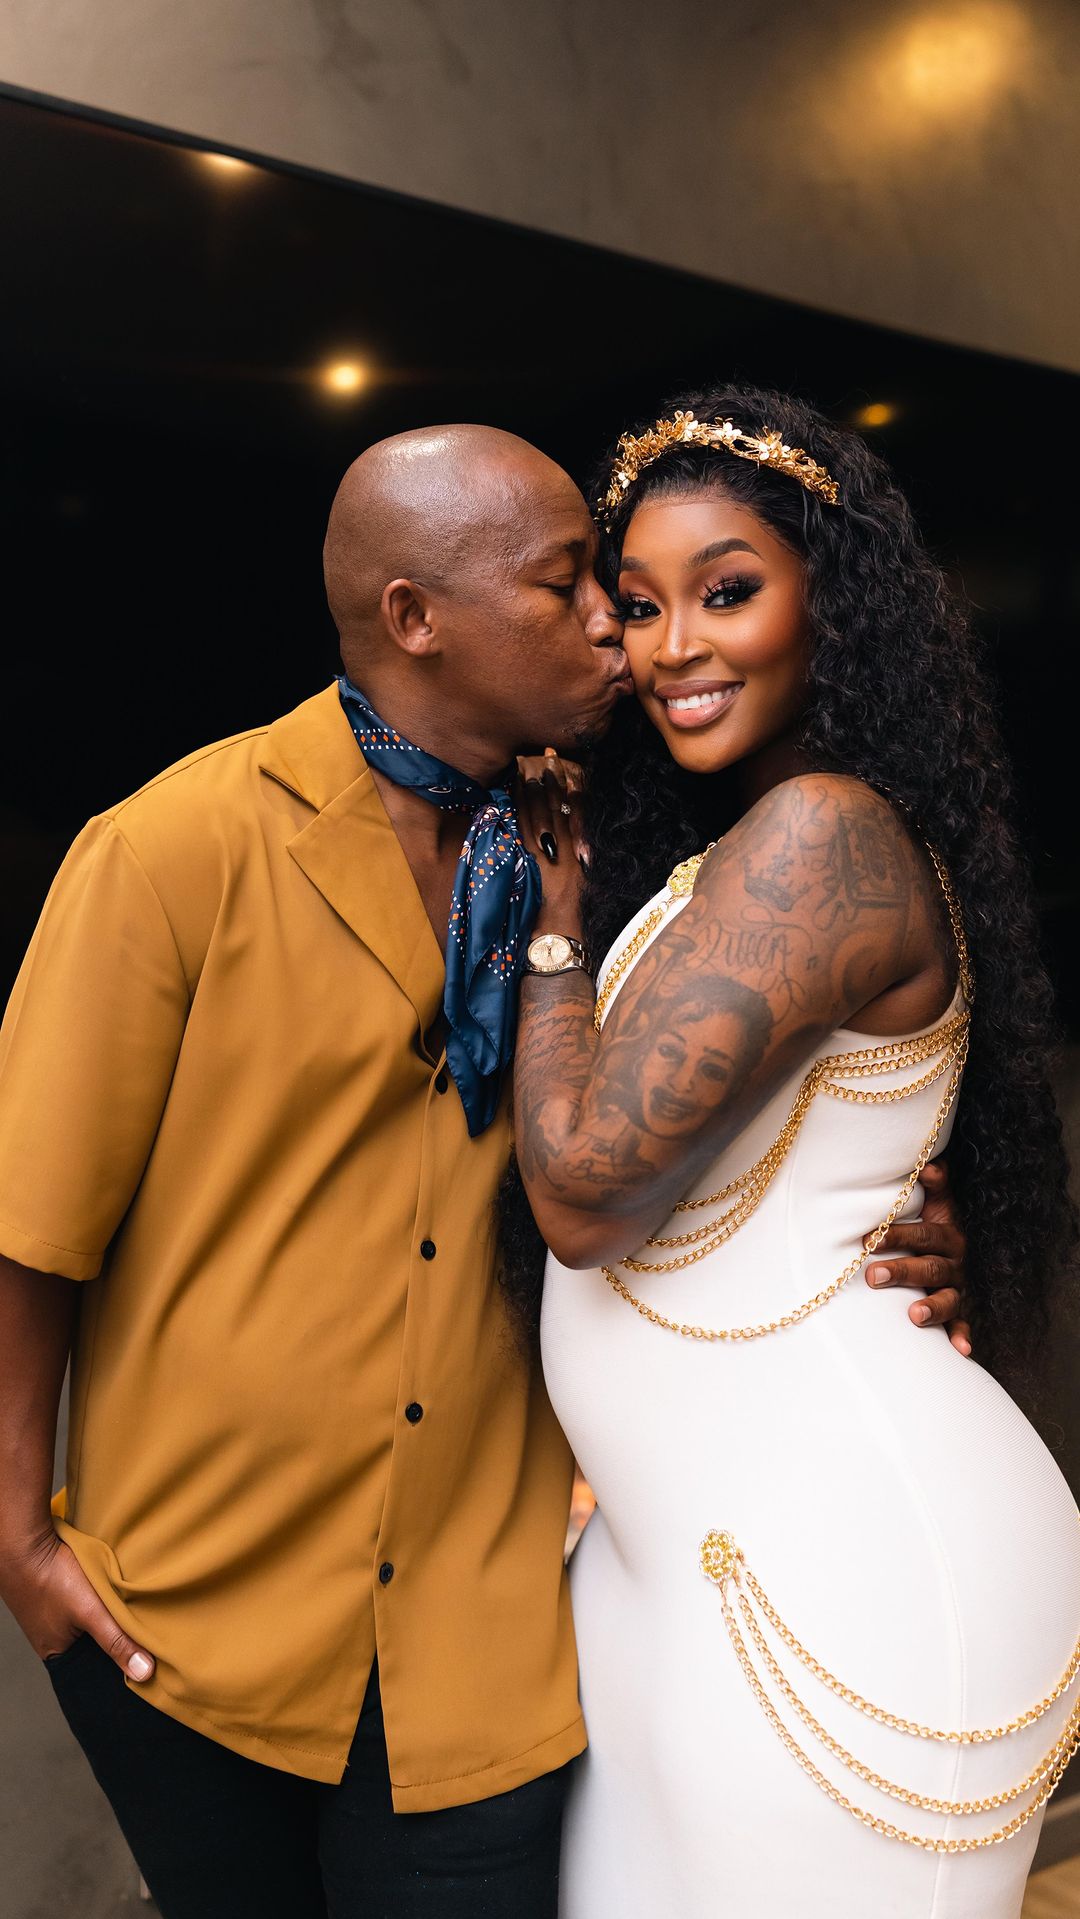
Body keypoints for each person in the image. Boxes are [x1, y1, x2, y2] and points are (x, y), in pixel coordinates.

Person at [0, 423, 969, 1919]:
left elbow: (744, 1092)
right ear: (416, 618)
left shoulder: (619, 848)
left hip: (492, 1644)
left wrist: (872, 1212)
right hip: (191, 1620)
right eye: (573, 586)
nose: (614, 629)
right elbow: (31, 1224)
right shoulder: (170, 849)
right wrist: (17, 1537)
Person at [509, 385, 1080, 1918]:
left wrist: (550, 932)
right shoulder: (732, 849)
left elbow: (582, 1190)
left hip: (850, 1556)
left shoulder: (823, 835)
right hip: (668, 1559)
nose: (674, 646)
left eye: (728, 591)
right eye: (639, 606)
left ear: (832, 602)